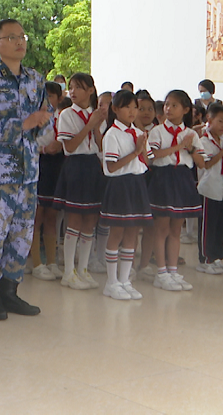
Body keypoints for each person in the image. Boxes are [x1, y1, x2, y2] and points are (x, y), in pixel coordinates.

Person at [0, 19, 51, 320]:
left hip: (29, 172)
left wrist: (41, 124)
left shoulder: (35, 79)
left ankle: (10, 291)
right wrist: (23, 125)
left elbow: (47, 117)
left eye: (22, 36)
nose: (20, 42)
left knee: (21, 235)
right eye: (11, 37)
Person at [146, 90, 205, 292]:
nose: (168, 109)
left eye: (174, 105)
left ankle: (172, 270)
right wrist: (179, 146)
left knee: (176, 229)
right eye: (166, 105)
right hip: (163, 178)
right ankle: (160, 272)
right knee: (161, 227)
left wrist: (190, 149)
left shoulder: (192, 134)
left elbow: (202, 162)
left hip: (183, 178)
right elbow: (154, 155)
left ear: (186, 110)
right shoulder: (157, 131)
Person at [53, 73, 106, 291]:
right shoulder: (67, 114)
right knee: (74, 220)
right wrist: (89, 125)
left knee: (90, 220)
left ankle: (83, 269)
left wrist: (95, 125)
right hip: (75, 166)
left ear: (91, 91)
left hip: (93, 166)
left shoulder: (96, 115)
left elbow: (101, 146)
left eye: (79, 87)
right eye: (71, 87)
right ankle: (68, 272)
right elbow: (70, 147)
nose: (73, 91)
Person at [98, 89, 151, 301]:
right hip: (120, 185)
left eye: (134, 107)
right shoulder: (111, 134)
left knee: (132, 233)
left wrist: (142, 149)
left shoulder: (137, 133)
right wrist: (136, 152)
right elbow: (111, 167)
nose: (132, 111)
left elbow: (145, 163)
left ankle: (124, 280)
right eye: (126, 107)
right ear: (115, 109)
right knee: (117, 233)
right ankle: (111, 282)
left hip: (137, 183)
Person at [196, 103, 223, 275]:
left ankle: (217, 258)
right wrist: (222, 152)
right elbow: (206, 164)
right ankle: (205, 259)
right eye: (220, 122)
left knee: (220, 226)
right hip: (208, 188)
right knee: (208, 226)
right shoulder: (203, 141)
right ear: (209, 120)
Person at [31, 81, 65, 280]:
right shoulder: (35, 119)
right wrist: (44, 149)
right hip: (39, 164)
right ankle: (36, 263)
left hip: (56, 166)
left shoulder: (63, 118)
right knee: (37, 215)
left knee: (52, 215)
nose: (48, 100)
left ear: (59, 99)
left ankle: (52, 261)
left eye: (52, 96)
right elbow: (26, 143)